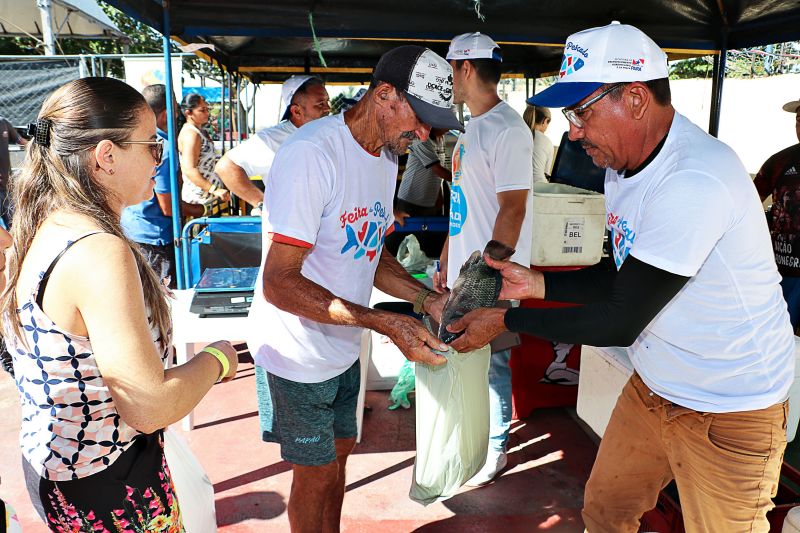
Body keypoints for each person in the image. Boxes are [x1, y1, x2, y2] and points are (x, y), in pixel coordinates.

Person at [448, 22, 794, 532]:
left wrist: (506, 317)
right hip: (657, 387)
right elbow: (621, 272)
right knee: (606, 512)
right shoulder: (622, 166)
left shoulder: (693, 179)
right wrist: (537, 284)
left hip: (730, 407)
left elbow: (621, 320)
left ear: (634, 98)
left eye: (581, 112)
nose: (573, 130)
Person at [1, 77, 239, 529]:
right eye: (151, 144)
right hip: (105, 479)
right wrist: (217, 359)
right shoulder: (97, 249)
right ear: (106, 155)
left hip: (63, 467)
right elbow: (148, 406)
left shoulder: (46, 224)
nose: (159, 157)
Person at [246, 45, 462, 533]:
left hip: (343, 345)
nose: (425, 133)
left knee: (341, 462)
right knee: (316, 475)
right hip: (296, 351)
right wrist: (382, 322)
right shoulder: (311, 155)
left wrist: (424, 297)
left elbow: (369, 252)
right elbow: (280, 283)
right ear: (384, 94)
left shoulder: (387, 157)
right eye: (421, 118)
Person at [434, 31, 533, 486]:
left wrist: (485, 276)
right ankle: (473, 441)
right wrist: (445, 255)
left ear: (466, 69)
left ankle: (495, 451)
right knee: (465, 360)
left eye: (450, 69)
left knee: (491, 363)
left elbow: (514, 206)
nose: (448, 79)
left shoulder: (509, 128)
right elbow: (463, 202)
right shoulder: (475, 126)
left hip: (488, 277)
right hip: (465, 271)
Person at [121, 84, 203, 286]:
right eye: (176, 111)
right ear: (167, 113)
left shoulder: (132, 140)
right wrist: (199, 210)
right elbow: (167, 207)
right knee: (163, 301)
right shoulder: (162, 148)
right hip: (155, 240)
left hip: (134, 230)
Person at [215, 76, 331, 212]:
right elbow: (226, 167)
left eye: (327, 102)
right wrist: (261, 203)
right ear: (296, 111)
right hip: (292, 225)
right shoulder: (272, 139)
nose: (327, 109)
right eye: (320, 104)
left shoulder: (328, 133)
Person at [754, 98, 800, 330]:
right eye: (799, 120)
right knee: (782, 332)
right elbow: (748, 202)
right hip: (786, 267)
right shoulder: (780, 162)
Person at [178, 93, 230, 206]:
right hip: (199, 199)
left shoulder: (200, 132)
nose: (207, 113)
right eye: (202, 110)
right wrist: (213, 189)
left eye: (207, 109)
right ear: (188, 113)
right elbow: (189, 169)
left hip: (209, 197)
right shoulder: (191, 134)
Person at [393, 129, 451, 224]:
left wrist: (438, 193)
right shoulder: (420, 140)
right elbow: (437, 169)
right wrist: (461, 179)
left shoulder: (441, 139)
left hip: (429, 200)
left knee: (431, 237)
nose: (449, 129)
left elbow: (437, 169)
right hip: (410, 200)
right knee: (397, 234)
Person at [0, 116, 26, 227]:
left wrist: (38, 146)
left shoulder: (3, 122)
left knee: (15, 226)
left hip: (6, 187)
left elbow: (21, 141)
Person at [523, 104, 554, 183]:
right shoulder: (546, 142)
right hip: (539, 189)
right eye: (547, 123)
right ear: (544, 121)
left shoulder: (516, 136)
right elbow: (546, 174)